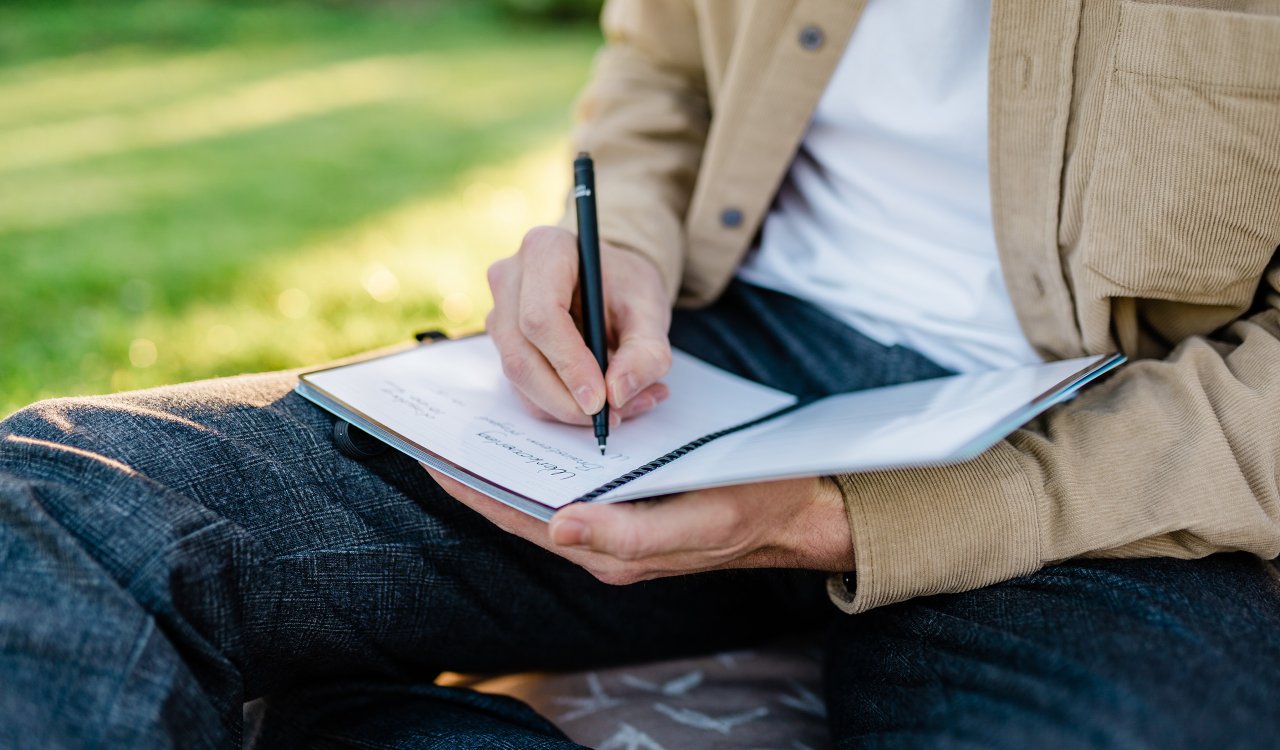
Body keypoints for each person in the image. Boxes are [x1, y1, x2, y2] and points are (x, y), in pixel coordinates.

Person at [3, 0, 1279, 746]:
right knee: (64, 494)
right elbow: (659, 69)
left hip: (1135, 450)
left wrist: (855, 520)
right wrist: (631, 239)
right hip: (721, 357)